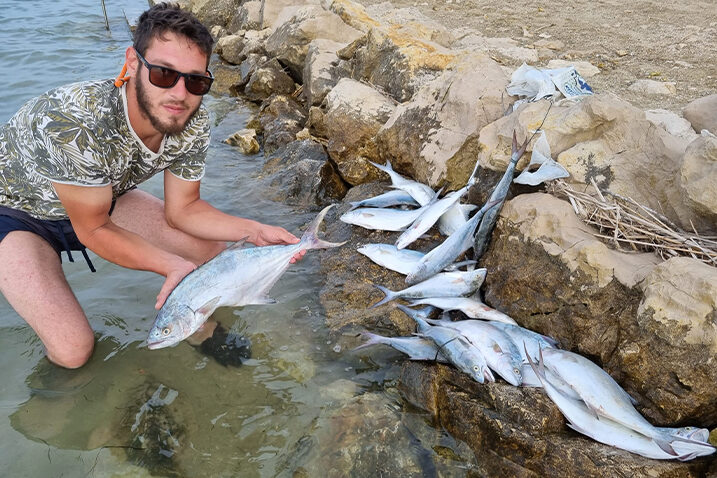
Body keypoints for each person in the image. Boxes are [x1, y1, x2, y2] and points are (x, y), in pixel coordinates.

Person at [0, 2, 304, 369]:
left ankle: (195, 327)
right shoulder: (74, 122)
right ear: (132, 63)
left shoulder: (192, 120)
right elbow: (93, 230)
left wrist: (254, 230)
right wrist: (172, 266)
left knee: (213, 254)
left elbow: (184, 209)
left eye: (195, 81)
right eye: (163, 74)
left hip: (102, 199)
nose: (180, 94)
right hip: (17, 213)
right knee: (73, 351)